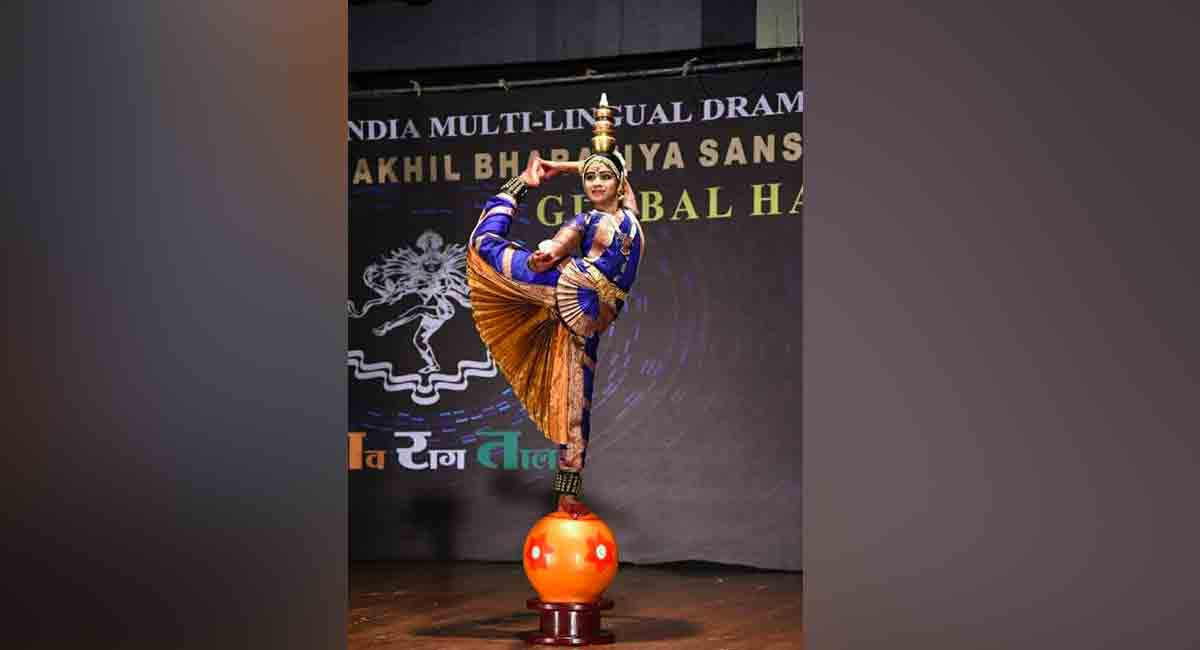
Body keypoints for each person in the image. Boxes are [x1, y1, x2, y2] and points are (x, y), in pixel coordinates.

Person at [467, 94, 644, 518]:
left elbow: (619, 176)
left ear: (620, 183)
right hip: (557, 285)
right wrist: (544, 253)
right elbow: (558, 244)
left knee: (575, 411)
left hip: (584, 323)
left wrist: (568, 166)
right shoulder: (583, 222)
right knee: (484, 246)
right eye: (590, 178)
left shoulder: (633, 217)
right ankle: (515, 189)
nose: (596, 183)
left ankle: (568, 497)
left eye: (604, 177)